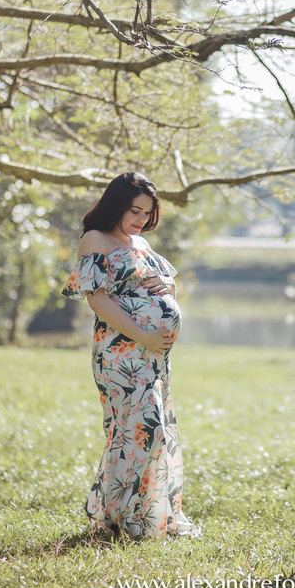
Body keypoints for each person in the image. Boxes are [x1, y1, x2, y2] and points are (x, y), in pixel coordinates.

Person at [61, 171, 201, 540]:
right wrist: (144, 336)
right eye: (134, 210)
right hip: (120, 351)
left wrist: (169, 285)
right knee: (138, 429)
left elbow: (158, 284)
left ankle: (146, 518)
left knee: (154, 431)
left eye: (147, 212)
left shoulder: (139, 242)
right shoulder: (95, 239)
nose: (141, 218)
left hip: (152, 356)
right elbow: (97, 299)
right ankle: (118, 520)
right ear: (116, 205)